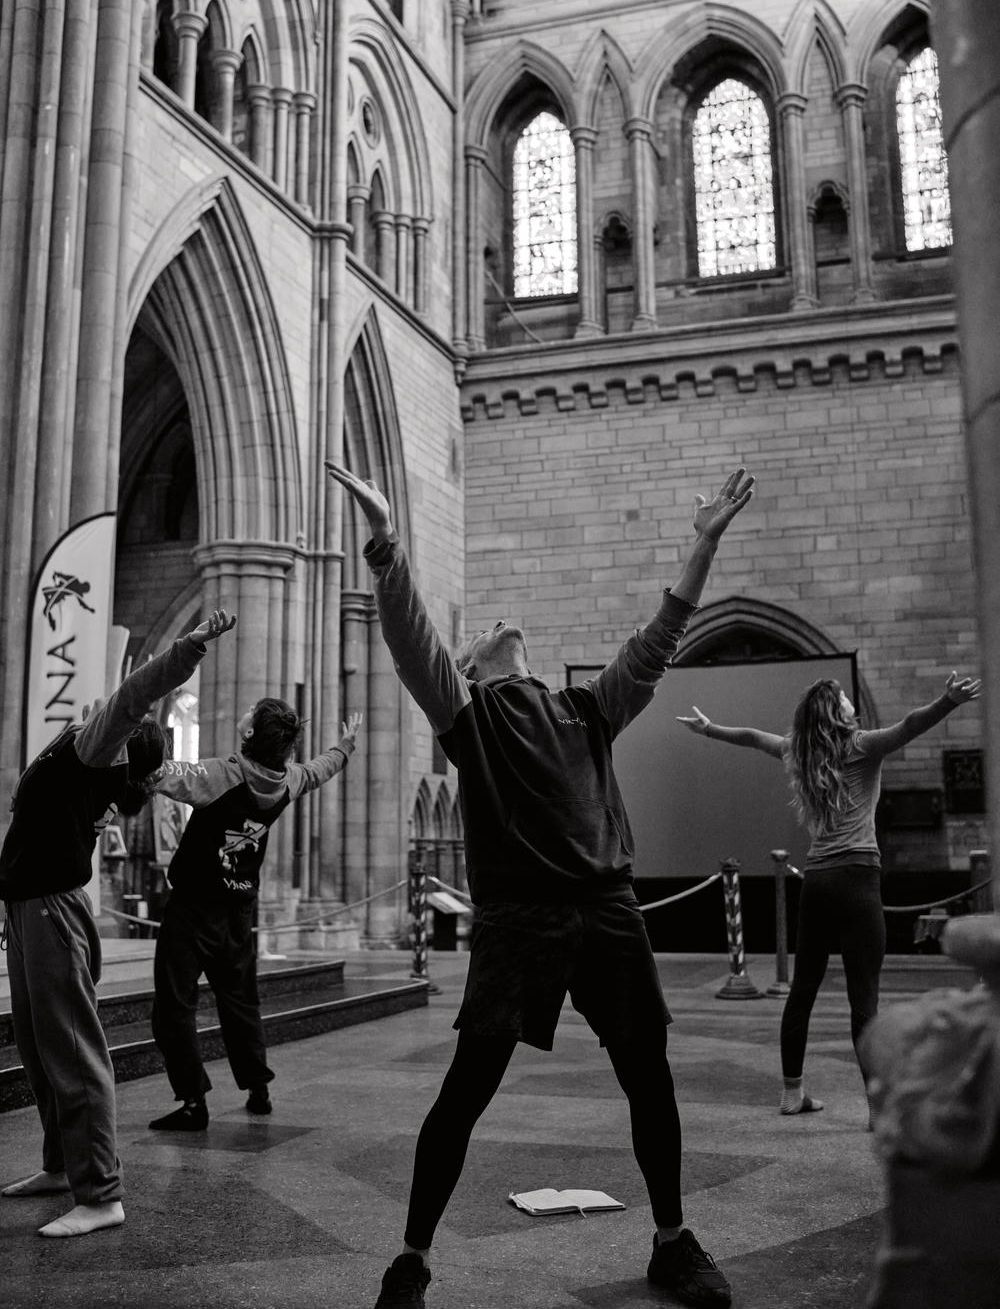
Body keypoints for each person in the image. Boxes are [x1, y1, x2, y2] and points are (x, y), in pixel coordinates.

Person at [326, 459, 756, 1309]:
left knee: (650, 1078)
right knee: (465, 1093)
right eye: (481, 633)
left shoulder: (588, 708)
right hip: (521, 922)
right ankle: (409, 1262)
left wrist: (703, 544)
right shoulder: (469, 718)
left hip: (607, 910)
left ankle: (673, 1242)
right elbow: (412, 640)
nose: (496, 625)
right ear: (474, 667)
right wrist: (385, 547)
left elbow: (665, 631)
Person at [0, 609, 237, 1237]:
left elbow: (136, 695)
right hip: (28, 908)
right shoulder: (84, 755)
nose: (119, 707)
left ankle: (102, 1194)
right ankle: (61, 1165)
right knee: (37, 1046)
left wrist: (188, 648)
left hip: (51, 910)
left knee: (73, 1051)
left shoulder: (95, 748)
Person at [677, 672, 981, 1118]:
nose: (850, 702)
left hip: (818, 882)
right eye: (844, 698)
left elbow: (753, 738)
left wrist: (710, 730)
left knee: (802, 991)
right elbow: (911, 726)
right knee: (865, 1000)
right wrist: (946, 703)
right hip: (859, 879)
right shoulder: (861, 745)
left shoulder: (799, 751)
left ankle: (791, 1092)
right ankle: (878, 1108)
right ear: (836, 711)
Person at [143, 699, 363, 1131]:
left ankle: (193, 1102)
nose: (241, 715)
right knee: (241, 1002)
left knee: (174, 1006)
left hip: (193, 910)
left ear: (248, 735)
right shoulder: (285, 781)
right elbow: (319, 770)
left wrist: (119, 738)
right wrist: (345, 747)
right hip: (240, 911)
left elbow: (160, 776)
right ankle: (258, 1090)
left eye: (248, 715)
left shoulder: (219, 776)